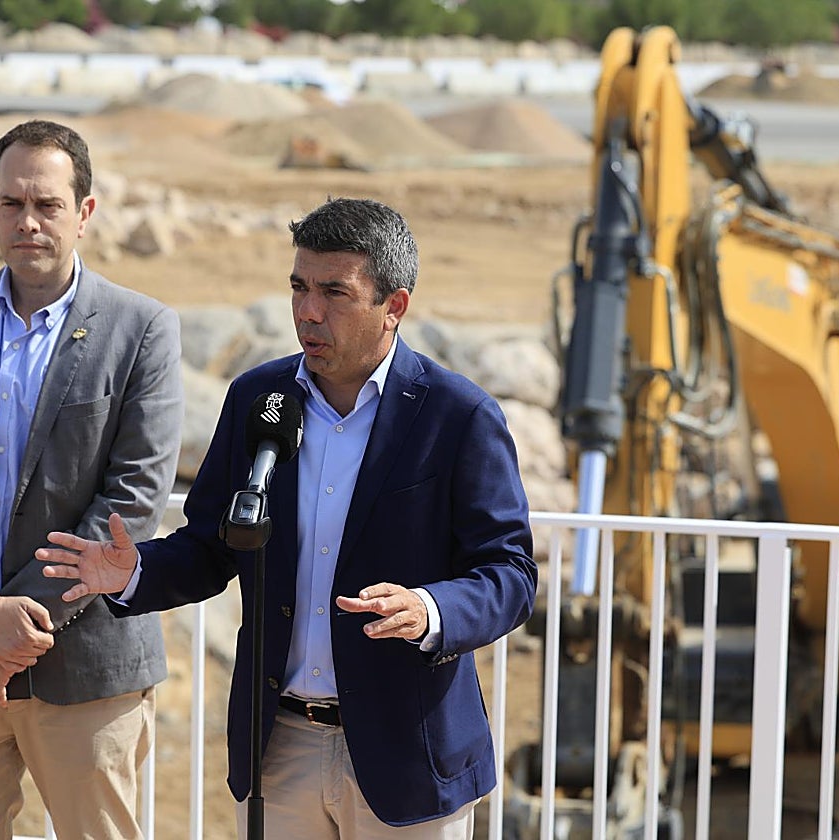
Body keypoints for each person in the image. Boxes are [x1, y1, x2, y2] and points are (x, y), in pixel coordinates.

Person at [36, 197, 538, 838]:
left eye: (335, 292)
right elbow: (215, 546)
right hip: (281, 750)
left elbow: (510, 574)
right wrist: (138, 570)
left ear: (395, 307)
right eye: (299, 287)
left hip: (406, 755)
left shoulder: (458, 415)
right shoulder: (257, 398)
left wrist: (431, 609)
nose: (308, 311)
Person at [0, 119, 184, 839]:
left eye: (46, 204)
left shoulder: (142, 327)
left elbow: (134, 495)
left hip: (88, 670)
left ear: (85, 212)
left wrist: (8, 632)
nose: (28, 221)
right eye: (11, 203)